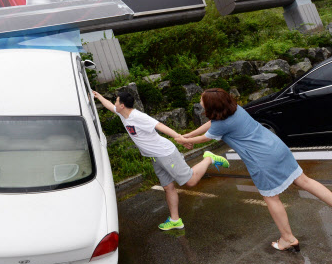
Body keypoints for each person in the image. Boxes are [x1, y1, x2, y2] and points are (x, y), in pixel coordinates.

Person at [176, 88, 332, 252]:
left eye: (202, 102)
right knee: (305, 181)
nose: (200, 103)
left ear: (211, 107)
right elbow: (211, 125)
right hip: (277, 148)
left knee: (271, 198)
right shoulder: (235, 110)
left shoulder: (222, 124)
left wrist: (186, 140)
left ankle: (287, 238)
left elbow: (206, 137)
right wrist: (188, 135)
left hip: (262, 160)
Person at [92, 90, 229, 231]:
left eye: (117, 101)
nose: (115, 103)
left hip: (165, 153)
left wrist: (181, 139)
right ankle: (175, 220)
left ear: (122, 105)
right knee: (167, 187)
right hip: (154, 156)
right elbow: (109, 106)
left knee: (191, 181)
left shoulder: (138, 117)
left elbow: (160, 126)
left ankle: (209, 158)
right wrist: (98, 96)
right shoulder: (122, 113)